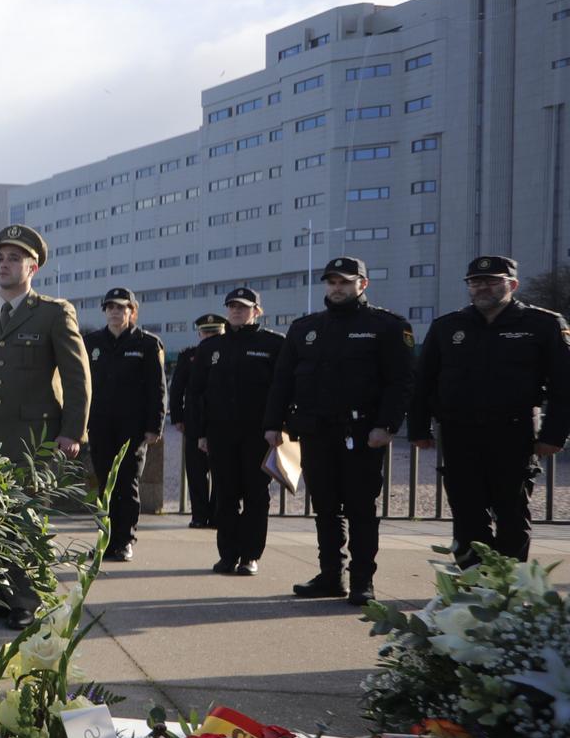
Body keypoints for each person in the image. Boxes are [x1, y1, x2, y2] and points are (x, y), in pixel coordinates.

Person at [0, 225, 90, 627]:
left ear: (32, 267)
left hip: (35, 441)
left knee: (26, 521)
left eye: (14, 258)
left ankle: (25, 601)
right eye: (0, 257)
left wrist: (73, 431)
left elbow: (78, 376)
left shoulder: (52, 313)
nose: (5, 264)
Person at [265, 257, 412, 605]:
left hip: (362, 433)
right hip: (315, 432)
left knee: (361, 508)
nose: (337, 288)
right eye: (332, 282)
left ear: (363, 284)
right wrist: (272, 424)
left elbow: (401, 382)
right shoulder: (305, 327)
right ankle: (331, 575)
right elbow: (282, 380)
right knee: (326, 508)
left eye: (345, 282)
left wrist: (387, 425)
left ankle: (362, 580)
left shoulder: (386, 326)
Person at [410, 255, 570, 565]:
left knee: (511, 514)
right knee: (467, 514)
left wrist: (554, 435)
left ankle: (507, 590)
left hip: (514, 434)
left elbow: (564, 386)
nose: (483, 287)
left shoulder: (543, 324)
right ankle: (471, 588)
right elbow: (424, 382)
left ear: (512, 284)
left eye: (492, 281)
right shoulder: (448, 326)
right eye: (476, 282)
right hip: (459, 434)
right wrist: (418, 428)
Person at [187, 288, 284, 578]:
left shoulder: (273, 344)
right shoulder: (212, 347)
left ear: (257, 310)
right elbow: (197, 394)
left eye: (243, 307)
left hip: (258, 435)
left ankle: (250, 556)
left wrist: (277, 426)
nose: (236, 311)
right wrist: (200, 434)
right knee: (225, 496)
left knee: (256, 496)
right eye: (232, 307)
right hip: (221, 434)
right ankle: (227, 555)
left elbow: (282, 391)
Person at [82, 287, 166, 563]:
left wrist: (155, 426)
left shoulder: (147, 344)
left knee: (127, 484)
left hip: (133, 428)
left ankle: (125, 540)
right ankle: (105, 540)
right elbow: (81, 386)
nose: (115, 312)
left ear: (132, 311)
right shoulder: (91, 343)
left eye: (121, 307)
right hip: (101, 425)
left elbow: (158, 389)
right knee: (104, 484)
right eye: (110, 308)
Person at [167, 314, 225, 528]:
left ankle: (219, 514)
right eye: (206, 332)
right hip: (194, 420)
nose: (209, 336)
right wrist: (177, 417)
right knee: (196, 472)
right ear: (199, 333)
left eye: (215, 332)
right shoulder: (189, 356)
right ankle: (199, 515)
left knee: (222, 472)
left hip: (221, 421)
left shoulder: (229, 353)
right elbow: (177, 389)